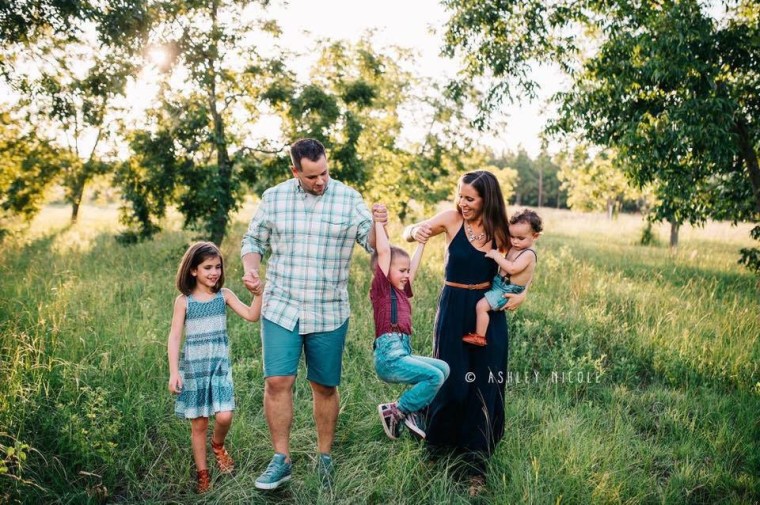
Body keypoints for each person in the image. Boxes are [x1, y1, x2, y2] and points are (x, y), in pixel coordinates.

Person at [241, 138, 383, 490]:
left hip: (328, 309)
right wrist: (251, 269)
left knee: (324, 385)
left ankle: (324, 458)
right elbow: (253, 241)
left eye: (325, 173)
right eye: (312, 176)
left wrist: (381, 224)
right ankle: (281, 459)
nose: (321, 181)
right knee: (277, 382)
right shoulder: (274, 197)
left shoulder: (349, 199)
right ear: (295, 172)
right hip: (281, 304)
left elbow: (372, 243)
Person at [402, 170, 528, 497]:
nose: (462, 202)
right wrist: (416, 230)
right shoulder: (451, 219)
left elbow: (525, 264)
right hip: (453, 308)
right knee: (452, 382)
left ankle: (476, 467)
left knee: (485, 388)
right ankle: (435, 450)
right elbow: (408, 233)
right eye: (460, 195)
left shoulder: (503, 230)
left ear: (487, 199)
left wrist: (523, 294)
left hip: (488, 309)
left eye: (469, 198)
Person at [168, 241, 263, 494]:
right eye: (207, 267)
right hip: (195, 369)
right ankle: (203, 474)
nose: (214, 272)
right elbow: (175, 337)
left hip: (219, 366)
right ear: (193, 270)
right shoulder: (184, 301)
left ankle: (218, 445)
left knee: (224, 415)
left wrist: (258, 293)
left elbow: (252, 315)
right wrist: (174, 372)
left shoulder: (224, 296)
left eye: (217, 267)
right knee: (198, 424)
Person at [369, 205, 450, 441]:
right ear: (384, 272)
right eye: (400, 271)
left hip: (403, 351)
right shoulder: (382, 289)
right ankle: (397, 410)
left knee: (443, 369)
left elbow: (411, 271)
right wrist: (378, 223)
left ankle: (412, 412)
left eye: (407, 271)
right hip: (389, 357)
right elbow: (384, 252)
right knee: (433, 377)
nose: (406, 275)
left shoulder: (401, 291)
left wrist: (422, 244)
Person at [463, 209, 542, 346]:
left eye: (520, 238)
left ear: (535, 236)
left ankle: (480, 336)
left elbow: (512, 268)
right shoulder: (516, 247)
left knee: (481, 307)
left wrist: (496, 256)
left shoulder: (529, 254)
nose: (515, 241)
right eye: (512, 237)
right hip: (500, 283)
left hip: (507, 289)